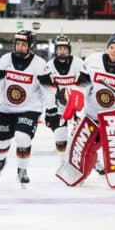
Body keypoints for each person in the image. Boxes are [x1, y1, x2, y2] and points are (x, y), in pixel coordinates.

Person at [56, 33, 115, 189]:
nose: (114, 50)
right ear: (107, 48)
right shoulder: (93, 61)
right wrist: (75, 95)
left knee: (114, 150)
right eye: (111, 47)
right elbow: (83, 83)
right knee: (88, 147)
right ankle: (81, 173)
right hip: (93, 113)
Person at [0, 31, 51, 185]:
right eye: (18, 44)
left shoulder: (40, 64)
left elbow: (48, 89)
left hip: (30, 108)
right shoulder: (5, 60)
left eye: (24, 44)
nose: (20, 47)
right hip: (6, 108)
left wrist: (51, 109)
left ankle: (22, 169)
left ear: (31, 46)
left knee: (22, 137)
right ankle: (0, 161)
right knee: (1, 140)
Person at [43, 34, 89, 164]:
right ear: (55, 50)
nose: (62, 51)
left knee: (83, 136)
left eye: (64, 48)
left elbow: (85, 84)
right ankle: (63, 163)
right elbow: (47, 90)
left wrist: (75, 95)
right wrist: (49, 110)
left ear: (69, 49)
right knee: (60, 135)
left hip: (78, 105)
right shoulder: (48, 66)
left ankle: (95, 163)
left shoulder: (79, 63)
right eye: (59, 48)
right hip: (60, 106)